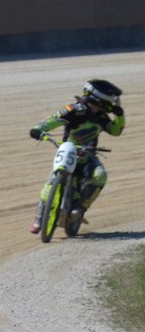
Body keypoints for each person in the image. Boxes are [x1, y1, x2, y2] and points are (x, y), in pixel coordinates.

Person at [29, 79, 125, 234]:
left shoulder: (101, 116)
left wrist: (120, 116)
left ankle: (80, 208)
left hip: (88, 157)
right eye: (111, 100)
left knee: (100, 175)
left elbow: (115, 131)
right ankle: (39, 218)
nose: (113, 104)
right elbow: (53, 119)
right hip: (68, 152)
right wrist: (38, 129)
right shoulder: (74, 110)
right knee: (52, 182)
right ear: (100, 98)